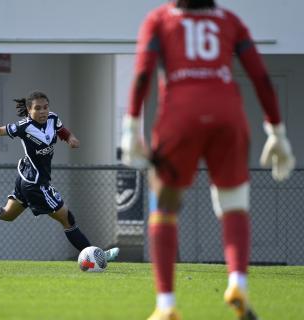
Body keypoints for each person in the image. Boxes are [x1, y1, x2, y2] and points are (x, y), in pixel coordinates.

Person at [120, 1, 295, 319]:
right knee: (234, 204)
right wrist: (277, 131)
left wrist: (131, 126)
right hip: (228, 117)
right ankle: (238, 281)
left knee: (164, 207)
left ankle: (166, 306)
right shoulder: (230, 20)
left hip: (179, 118)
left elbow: (143, 72)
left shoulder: (159, 19)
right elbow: (261, 77)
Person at [0, 90, 119, 262]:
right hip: (35, 183)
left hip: (26, 179)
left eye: (45, 107)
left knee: (7, 214)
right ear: (29, 110)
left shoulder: (53, 118)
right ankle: (97, 256)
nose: (43, 111)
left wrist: (69, 138)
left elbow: (62, 130)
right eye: (37, 108)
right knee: (67, 218)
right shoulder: (24, 126)